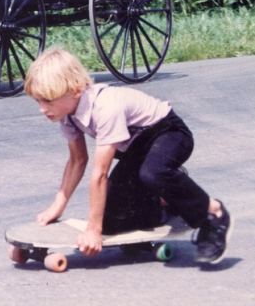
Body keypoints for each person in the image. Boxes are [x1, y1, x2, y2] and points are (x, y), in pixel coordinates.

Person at [23, 47, 233, 264]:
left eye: (48, 100)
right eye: (37, 101)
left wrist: (93, 230)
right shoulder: (67, 114)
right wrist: (58, 207)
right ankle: (164, 199)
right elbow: (78, 161)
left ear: (76, 90)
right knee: (111, 223)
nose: (42, 108)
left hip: (168, 133)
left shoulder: (106, 107)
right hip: (138, 151)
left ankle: (213, 212)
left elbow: (100, 174)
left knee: (154, 172)